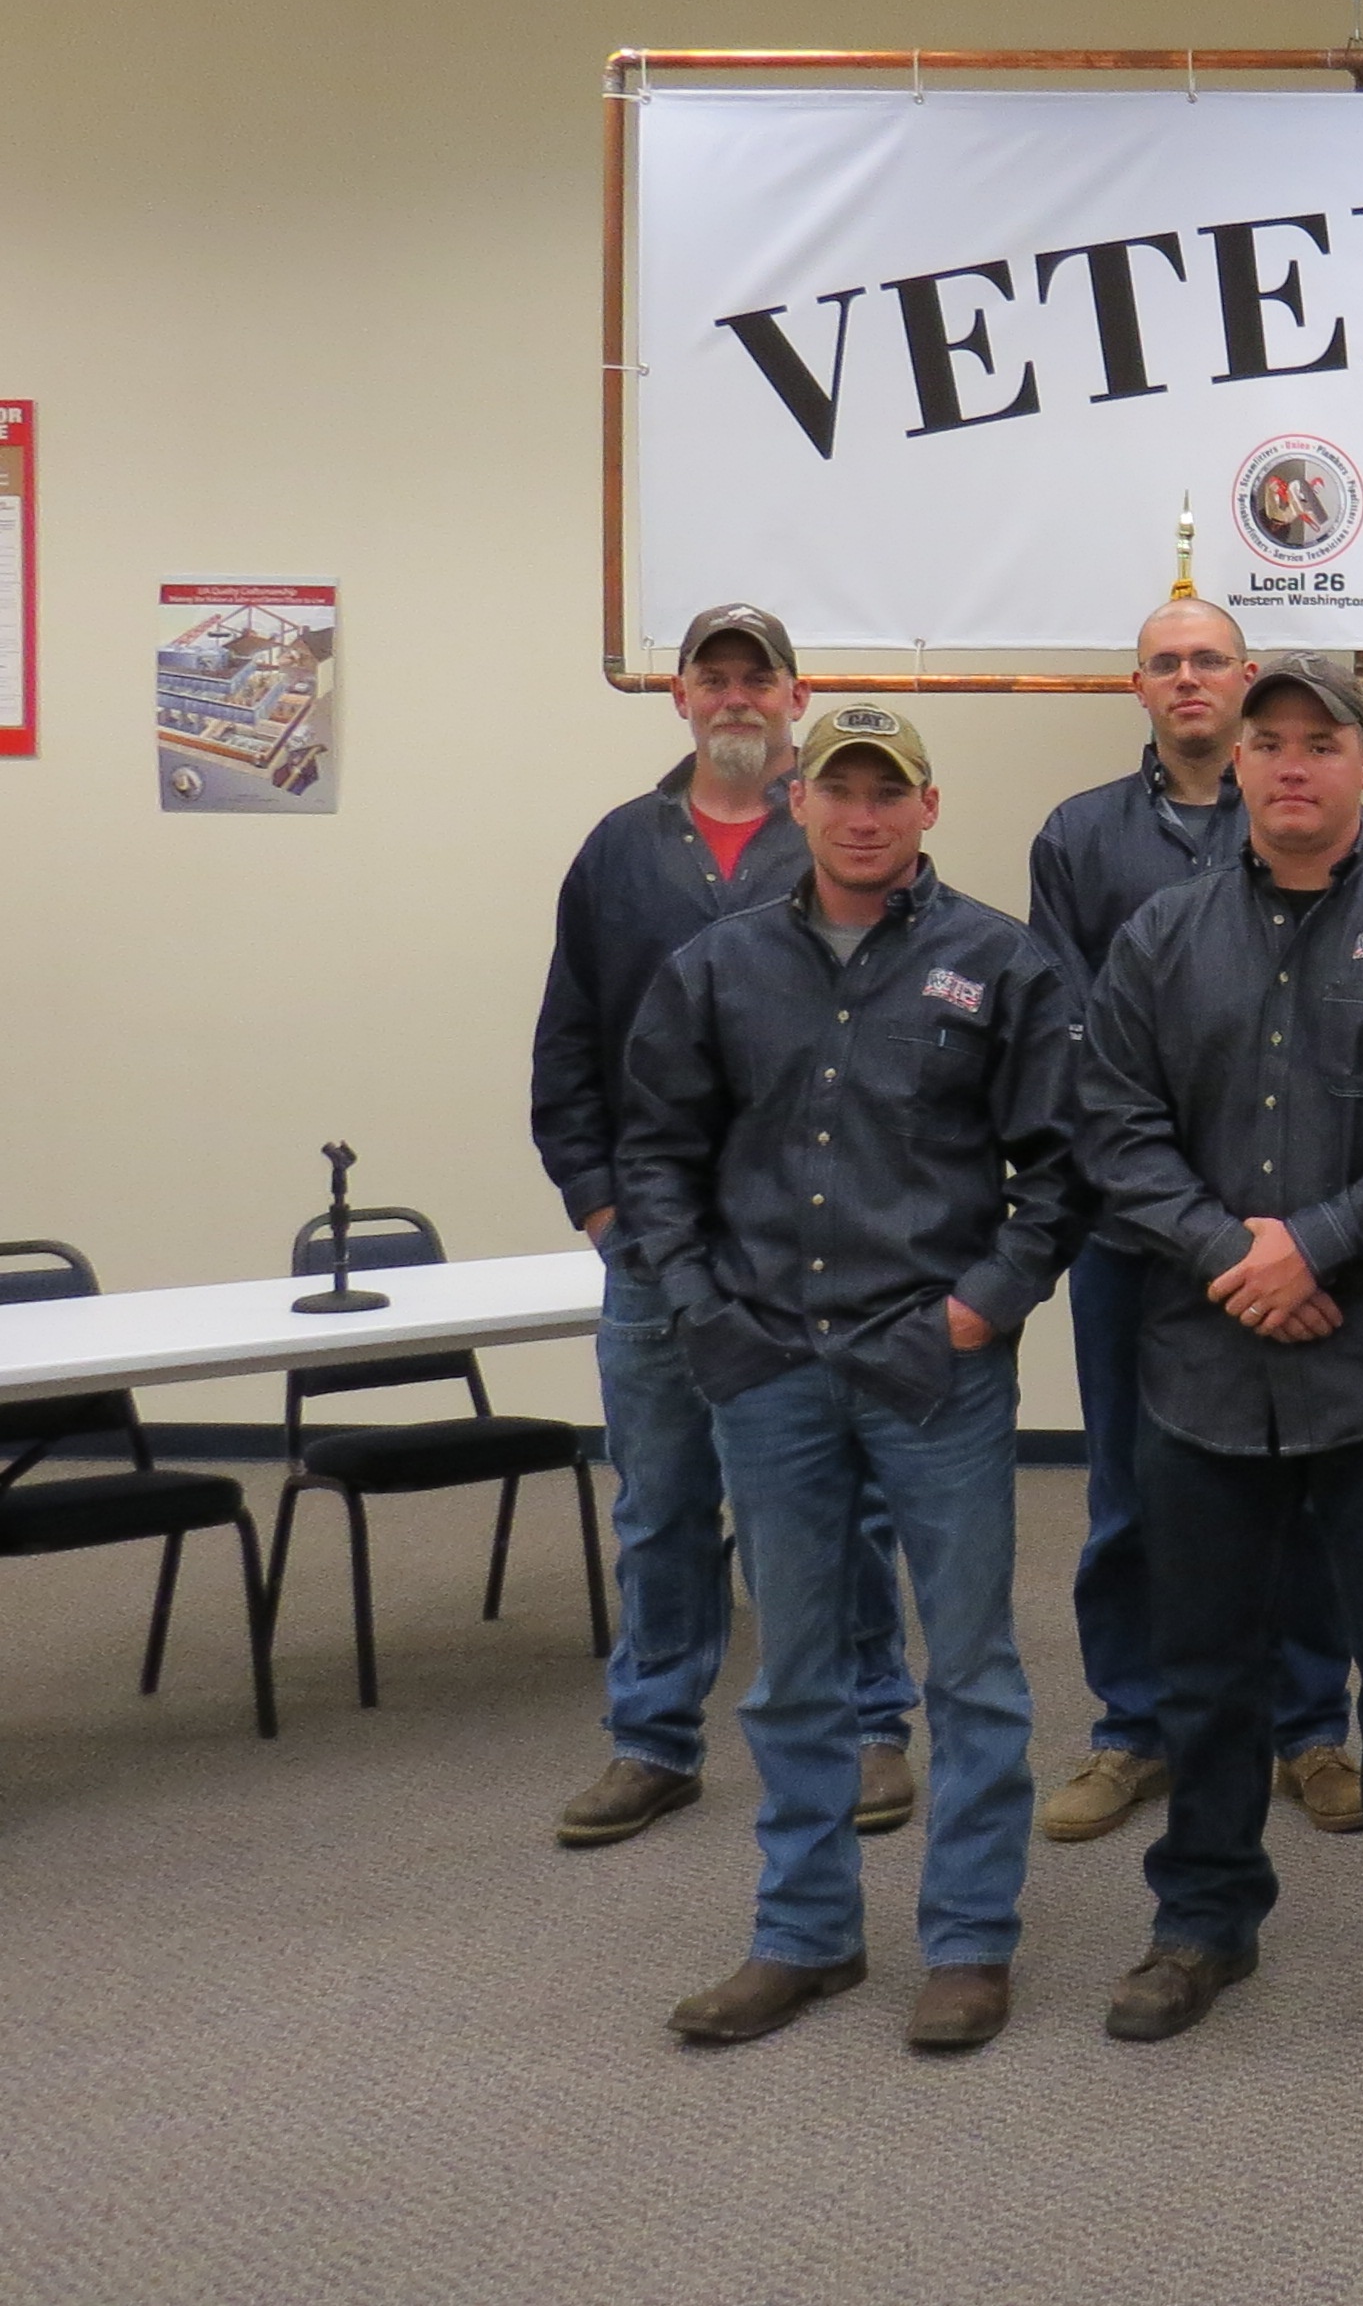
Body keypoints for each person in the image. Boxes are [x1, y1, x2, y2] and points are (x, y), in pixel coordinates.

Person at [618, 705, 1084, 2049]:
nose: (864, 814)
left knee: (975, 1670)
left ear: (929, 809)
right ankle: (805, 1934)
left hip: (928, 1368)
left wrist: (981, 1312)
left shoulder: (998, 962)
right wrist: (705, 1312)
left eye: (891, 792)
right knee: (795, 1673)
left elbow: (1058, 1170)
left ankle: (970, 1943)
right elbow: (658, 1155)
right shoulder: (717, 969)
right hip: (767, 1365)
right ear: (796, 803)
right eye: (841, 790)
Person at [1075, 654, 1363, 2048]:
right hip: (1206, 1366)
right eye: (1266, 744)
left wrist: (1312, 1246)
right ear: (1242, 769)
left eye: (1319, 743)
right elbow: (1114, 1125)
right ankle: (1201, 1922)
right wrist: (1235, 1257)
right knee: (1204, 1665)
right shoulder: (1160, 934)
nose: (1289, 765)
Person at [531, 604, 915, 1852]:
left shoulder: (840, 831)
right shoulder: (620, 852)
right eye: (717, 677)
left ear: (795, 697)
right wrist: (600, 1204)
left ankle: (869, 1726)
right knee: (662, 1498)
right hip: (655, 1242)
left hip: (813, 1244)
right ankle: (653, 1740)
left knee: (836, 1499)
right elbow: (567, 1048)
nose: (739, 697)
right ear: (680, 698)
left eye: (762, 678)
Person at [1026, 597, 1363, 1848]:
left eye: (1209, 660)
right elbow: (1078, 1043)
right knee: (1128, 1493)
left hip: (1300, 1241)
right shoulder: (1080, 839)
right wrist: (1201, 1226)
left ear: (1244, 683)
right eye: (1164, 664)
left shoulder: (1298, 809)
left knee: (1312, 1487)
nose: (1188, 681)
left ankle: (1310, 1728)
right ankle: (1133, 1729)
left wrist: (1286, 1235)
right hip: (1143, 1238)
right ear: (1138, 688)